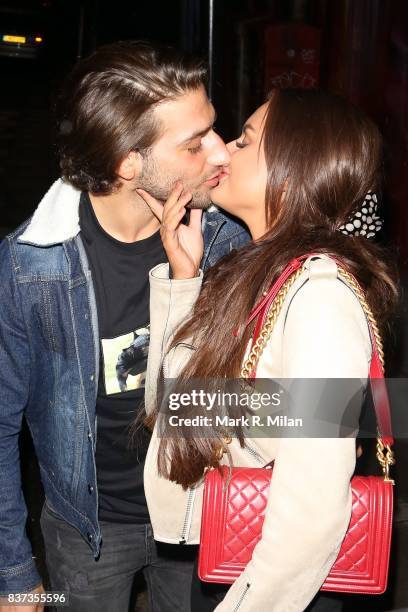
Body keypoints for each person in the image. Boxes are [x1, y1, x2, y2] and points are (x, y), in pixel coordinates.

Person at [0, 41, 249, 612]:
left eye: (216, 129)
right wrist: (14, 572)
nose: (220, 153)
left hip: (200, 514)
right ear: (128, 164)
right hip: (86, 532)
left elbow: (272, 402)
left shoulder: (227, 239)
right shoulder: (31, 266)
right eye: (194, 143)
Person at [138, 88, 398, 611]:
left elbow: (312, 508)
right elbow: (171, 417)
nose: (222, 152)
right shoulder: (259, 277)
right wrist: (184, 282)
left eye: (244, 140)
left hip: (276, 585)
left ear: (293, 162)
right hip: (231, 559)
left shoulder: (320, 295)